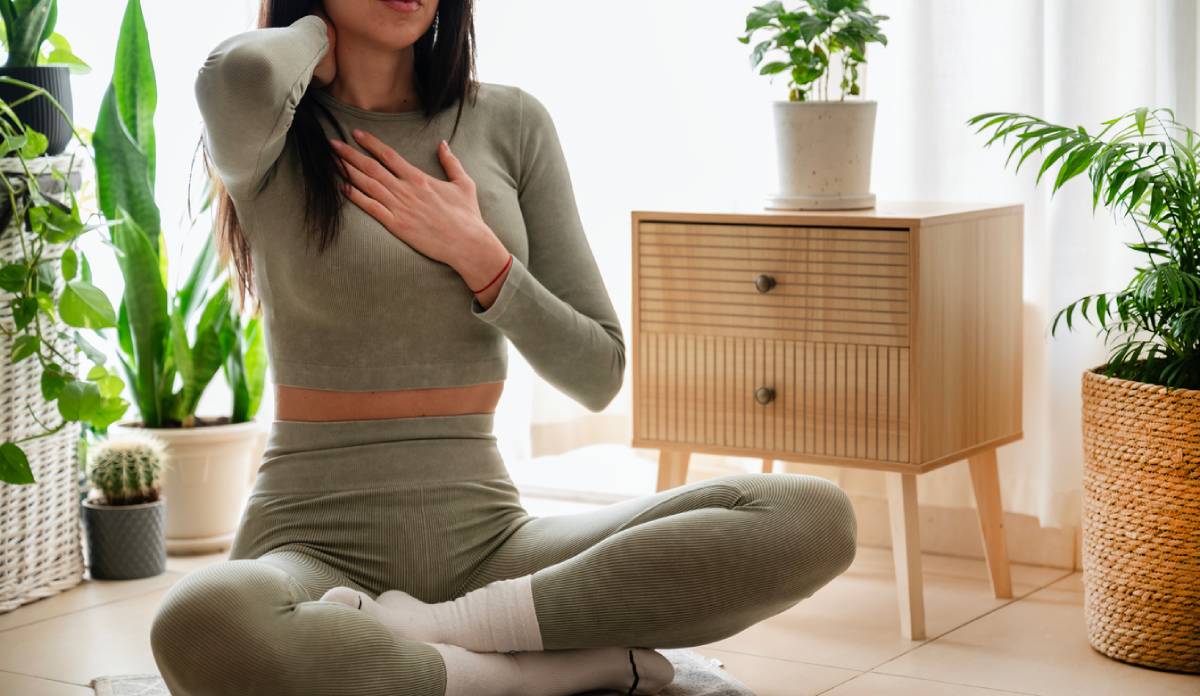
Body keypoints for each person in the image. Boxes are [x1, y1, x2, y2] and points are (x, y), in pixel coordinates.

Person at [148, 1, 859, 694]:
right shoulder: (270, 130)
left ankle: (450, 635)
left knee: (812, 514)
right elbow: (232, 72)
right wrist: (313, 33)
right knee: (200, 620)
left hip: (488, 540)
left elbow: (599, 373)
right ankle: (525, 673)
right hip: (307, 542)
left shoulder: (509, 122)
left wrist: (481, 257)